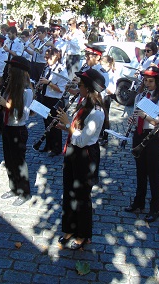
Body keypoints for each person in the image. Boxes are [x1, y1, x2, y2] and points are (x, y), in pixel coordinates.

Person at [55, 68, 107, 250]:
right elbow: (77, 131)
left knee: (82, 195)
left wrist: (68, 125)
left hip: (85, 155)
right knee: (68, 191)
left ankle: (83, 234)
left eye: (80, 85)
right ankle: (69, 228)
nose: (78, 87)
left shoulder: (97, 112)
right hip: (73, 150)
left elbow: (83, 140)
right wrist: (65, 127)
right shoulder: (83, 101)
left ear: (88, 88)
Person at [124, 66, 159, 223]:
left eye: (151, 81)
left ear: (157, 82)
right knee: (140, 171)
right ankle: (139, 202)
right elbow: (138, 116)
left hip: (153, 138)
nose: (147, 83)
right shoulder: (140, 97)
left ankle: (155, 209)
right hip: (139, 135)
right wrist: (134, 119)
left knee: (153, 173)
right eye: (145, 80)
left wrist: (146, 117)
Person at [0, 56, 33, 207]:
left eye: (11, 70)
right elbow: (6, 105)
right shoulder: (10, 86)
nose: (8, 72)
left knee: (19, 162)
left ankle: (24, 192)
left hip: (18, 130)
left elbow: (24, 115)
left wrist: (7, 105)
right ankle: (13, 188)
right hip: (7, 127)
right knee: (9, 161)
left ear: (18, 72)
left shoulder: (27, 90)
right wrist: (0, 106)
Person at [38, 48, 69, 157]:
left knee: (54, 124)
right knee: (46, 123)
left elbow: (61, 89)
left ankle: (56, 148)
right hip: (46, 98)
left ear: (56, 57)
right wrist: (42, 85)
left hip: (55, 100)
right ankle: (48, 145)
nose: (46, 60)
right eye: (45, 57)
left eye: (49, 57)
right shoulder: (48, 68)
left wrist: (49, 83)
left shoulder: (61, 70)